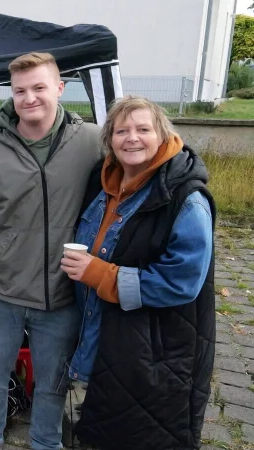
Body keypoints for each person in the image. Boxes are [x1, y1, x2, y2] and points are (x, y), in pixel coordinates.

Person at [0, 52, 103, 450]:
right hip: (0, 292)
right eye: (20, 91)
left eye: (39, 87)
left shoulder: (91, 142)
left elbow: (137, 170)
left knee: (53, 382)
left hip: (63, 293)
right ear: (11, 94)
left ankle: (46, 443)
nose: (30, 98)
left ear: (59, 88)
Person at [61, 95, 215, 450]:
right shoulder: (100, 184)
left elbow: (181, 282)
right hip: (97, 338)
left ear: (161, 135)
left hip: (150, 347)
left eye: (143, 129)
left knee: (135, 433)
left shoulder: (185, 199)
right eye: (122, 130)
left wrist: (102, 275)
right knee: (90, 427)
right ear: (109, 139)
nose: (132, 138)